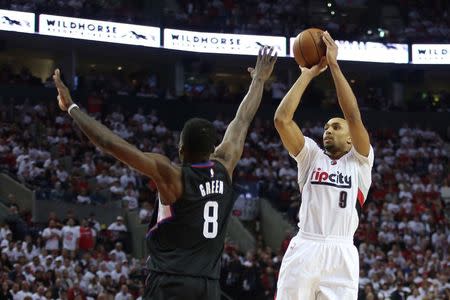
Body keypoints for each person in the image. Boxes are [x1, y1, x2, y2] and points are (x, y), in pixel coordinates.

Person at [53, 46, 277, 300]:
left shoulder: (172, 175)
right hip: (208, 287)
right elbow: (242, 119)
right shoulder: (225, 165)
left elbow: (111, 144)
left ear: (181, 150)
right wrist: (259, 80)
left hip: (170, 284)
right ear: (213, 148)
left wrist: (71, 107)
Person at [274, 31, 374, 299]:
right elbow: (282, 120)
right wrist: (307, 74)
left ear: (352, 138)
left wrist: (334, 66)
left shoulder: (361, 160)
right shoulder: (311, 156)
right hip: (306, 245)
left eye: (336, 126)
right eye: (326, 126)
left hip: (341, 253)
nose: (328, 130)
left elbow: (352, 114)